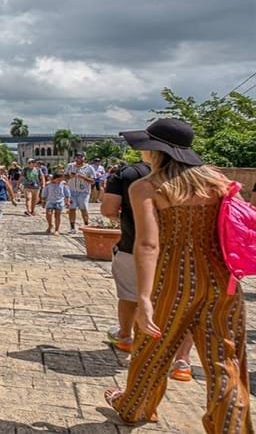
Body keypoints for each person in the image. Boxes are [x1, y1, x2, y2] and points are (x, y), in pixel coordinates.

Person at [105, 119, 251, 430]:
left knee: (152, 350)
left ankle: (135, 407)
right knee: (225, 361)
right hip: (222, 281)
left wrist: (144, 298)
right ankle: (232, 427)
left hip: (173, 279)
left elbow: (148, 244)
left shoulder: (147, 187)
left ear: (156, 150)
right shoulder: (219, 183)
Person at [102, 157, 195, 380]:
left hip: (134, 246)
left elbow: (108, 209)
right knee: (183, 307)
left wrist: (123, 220)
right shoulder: (201, 177)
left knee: (130, 296)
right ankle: (182, 360)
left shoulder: (131, 176)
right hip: (185, 253)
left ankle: (126, 337)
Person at [64, 152, 96, 233]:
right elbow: (65, 176)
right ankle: (72, 228)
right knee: (72, 209)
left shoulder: (89, 168)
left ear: (84, 158)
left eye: (81, 157)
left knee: (83, 208)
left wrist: (82, 177)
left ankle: (86, 226)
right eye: (77, 157)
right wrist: (70, 176)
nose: (79, 159)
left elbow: (93, 181)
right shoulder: (70, 166)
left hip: (83, 192)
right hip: (71, 191)